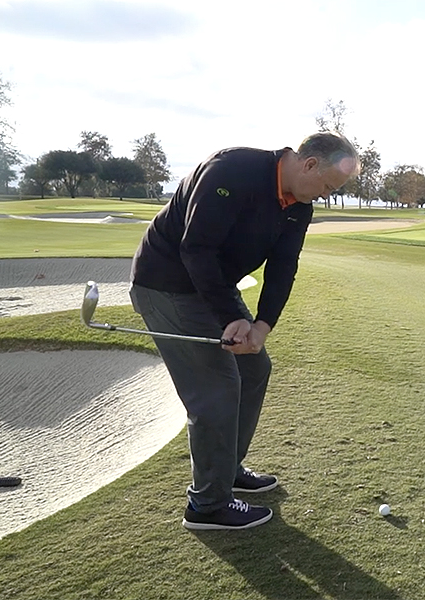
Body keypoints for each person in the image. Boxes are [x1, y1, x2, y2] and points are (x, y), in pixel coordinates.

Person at [129, 132, 360, 530]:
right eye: (326, 186)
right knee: (216, 388)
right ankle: (207, 506)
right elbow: (195, 248)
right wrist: (227, 317)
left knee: (255, 368)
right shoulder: (233, 170)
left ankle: (226, 469)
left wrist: (262, 325)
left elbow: (283, 266)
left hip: (212, 285)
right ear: (308, 165)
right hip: (165, 284)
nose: (324, 195)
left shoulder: (298, 205)